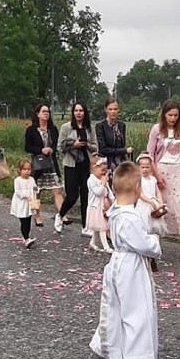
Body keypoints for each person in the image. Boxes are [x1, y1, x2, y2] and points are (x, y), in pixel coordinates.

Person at [89, 161, 162, 359]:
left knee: (117, 307)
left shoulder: (116, 211)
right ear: (138, 189)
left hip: (118, 262)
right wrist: (155, 241)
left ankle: (112, 347)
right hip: (131, 266)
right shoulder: (131, 218)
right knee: (137, 311)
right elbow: (143, 244)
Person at [146, 99, 180, 258]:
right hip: (162, 169)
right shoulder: (156, 130)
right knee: (161, 206)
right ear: (164, 115)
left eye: (176, 115)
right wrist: (156, 175)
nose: (173, 118)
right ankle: (156, 242)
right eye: (170, 115)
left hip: (179, 170)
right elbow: (150, 154)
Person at [57, 102, 98, 236]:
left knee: (86, 196)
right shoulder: (66, 128)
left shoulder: (89, 128)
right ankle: (61, 214)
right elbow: (59, 147)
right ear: (73, 113)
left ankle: (85, 226)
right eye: (76, 110)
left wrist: (88, 146)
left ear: (85, 112)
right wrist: (73, 145)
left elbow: (95, 146)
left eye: (81, 110)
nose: (78, 113)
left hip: (85, 164)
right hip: (71, 164)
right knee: (72, 195)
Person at [24, 103, 65, 229]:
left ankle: (62, 214)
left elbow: (56, 144)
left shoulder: (53, 129)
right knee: (36, 191)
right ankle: (37, 216)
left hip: (51, 163)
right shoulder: (31, 130)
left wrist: (51, 149)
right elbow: (27, 147)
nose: (46, 114)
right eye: (43, 111)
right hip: (38, 164)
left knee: (57, 190)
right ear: (38, 114)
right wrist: (41, 150)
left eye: (47, 111)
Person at [95, 97, 133, 176]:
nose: (113, 112)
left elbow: (122, 144)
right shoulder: (100, 126)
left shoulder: (121, 125)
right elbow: (103, 149)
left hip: (120, 162)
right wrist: (124, 150)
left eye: (115, 109)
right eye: (110, 109)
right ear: (106, 110)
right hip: (106, 163)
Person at [86, 156, 114, 253]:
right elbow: (98, 192)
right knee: (102, 227)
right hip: (95, 207)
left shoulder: (102, 180)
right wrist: (102, 184)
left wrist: (113, 201)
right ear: (94, 168)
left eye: (105, 170)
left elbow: (108, 191)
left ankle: (92, 243)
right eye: (102, 170)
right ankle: (106, 247)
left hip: (101, 206)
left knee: (97, 228)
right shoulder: (91, 180)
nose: (103, 172)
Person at [10, 159, 38, 249]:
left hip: (29, 204)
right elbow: (18, 192)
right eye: (24, 169)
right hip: (21, 203)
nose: (27, 171)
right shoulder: (17, 180)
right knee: (23, 221)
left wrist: (36, 189)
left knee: (28, 220)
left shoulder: (31, 179)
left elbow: (35, 189)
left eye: (29, 169)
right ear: (20, 170)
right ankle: (26, 237)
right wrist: (26, 196)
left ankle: (27, 237)